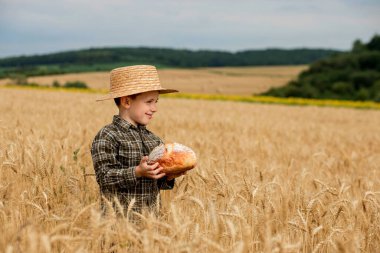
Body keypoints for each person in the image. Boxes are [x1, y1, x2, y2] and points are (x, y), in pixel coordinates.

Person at [91, 65, 180, 216]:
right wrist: (137, 172)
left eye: (156, 101)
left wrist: (170, 175)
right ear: (126, 102)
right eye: (149, 101)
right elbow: (104, 178)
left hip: (151, 224)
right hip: (118, 225)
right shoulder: (108, 135)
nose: (154, 108)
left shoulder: (154, 139)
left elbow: (158, 184)